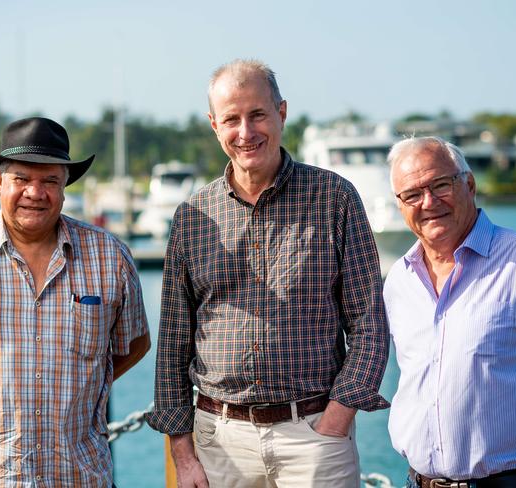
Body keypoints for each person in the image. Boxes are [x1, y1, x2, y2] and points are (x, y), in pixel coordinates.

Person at [146, 59, 389, 487]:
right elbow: (172, 344)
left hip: (315, 435)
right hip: (218, 442)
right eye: (231, 119)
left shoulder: (335, 198)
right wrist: (183, 455)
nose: (246, 132)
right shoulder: (191, 216)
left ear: (281, 112)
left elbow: (369, 323)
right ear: (213, 125)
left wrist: (337, 417)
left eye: (257, 114)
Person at [0, 117, 150, 487]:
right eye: (22, 178)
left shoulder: (110, 258)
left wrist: (76, 383)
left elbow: (133, 344)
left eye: (49, 180)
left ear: (65, 186)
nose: (35, 192)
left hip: (75, 474)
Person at [384, 136, 516, 488]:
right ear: (400, 204)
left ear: (470, 184)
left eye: (441, 184)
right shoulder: (398, 281)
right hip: (419, 482)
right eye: (412, 194)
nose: (429, 202)